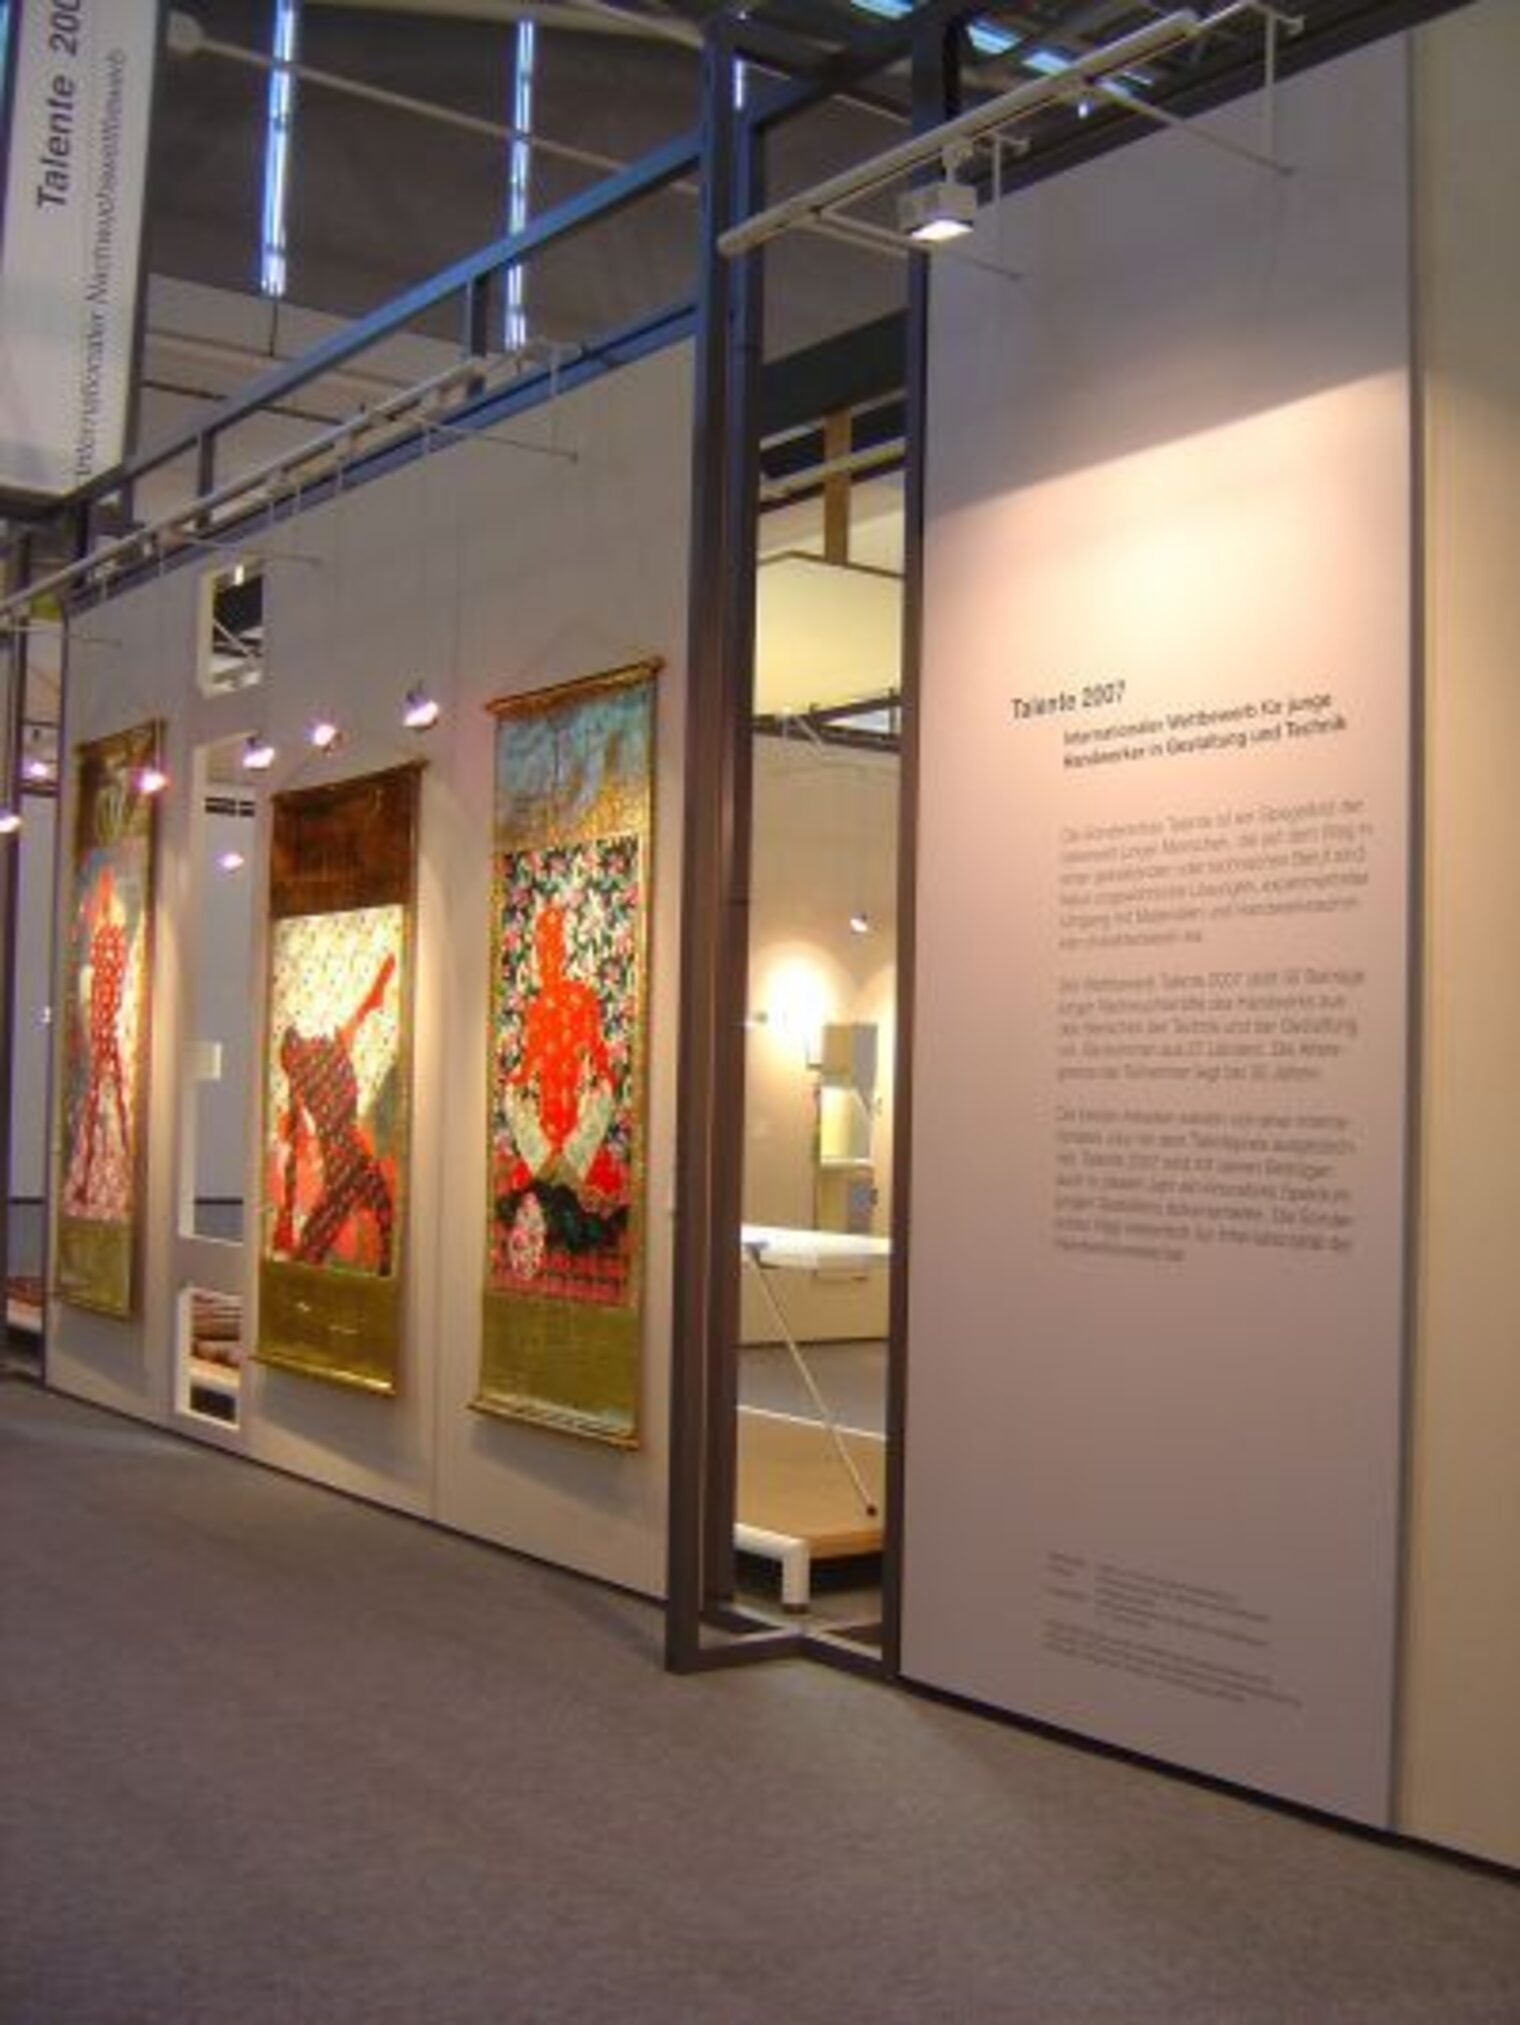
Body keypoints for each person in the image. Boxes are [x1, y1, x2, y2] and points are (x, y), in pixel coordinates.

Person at [273, 951, 396, 1273]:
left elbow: (359, 1015)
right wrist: (285, 1212)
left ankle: (380, 1274)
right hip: (344, 1162)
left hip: (348, 1159)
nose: (313, 1038)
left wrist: (377, 988)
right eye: (305, 1041)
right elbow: (293, 1150)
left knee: (376, 1216)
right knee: (326, 1232)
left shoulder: (324, 1059)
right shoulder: (315, 1069)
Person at [76, 865, 132, 1205]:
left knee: (106, 1098)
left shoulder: (110, 938)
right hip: (104, 1025)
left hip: (105, 1026)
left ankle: (113, 1176)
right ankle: (101, 1177)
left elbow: (109, 987)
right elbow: (103, 987)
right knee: (103, 1099)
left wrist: (102, 1024)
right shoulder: (106, 938)